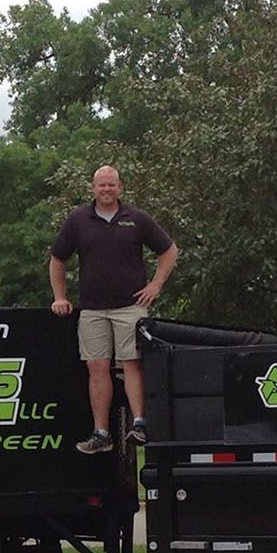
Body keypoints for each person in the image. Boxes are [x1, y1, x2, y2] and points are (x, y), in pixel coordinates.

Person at [49, 165, 179, 454]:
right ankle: (101, 433)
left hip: (130, 306)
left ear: (120, 187)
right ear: (93, 188)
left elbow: (169, 250)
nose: (106, 190)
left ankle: (141, 423)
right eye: (101, 185)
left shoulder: (136, 219)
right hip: (92, 309)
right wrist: (60, 296)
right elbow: (58, 259)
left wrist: (156, 285)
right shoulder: (78, 220)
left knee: (131, 362)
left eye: (111, 185)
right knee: (96, 367)